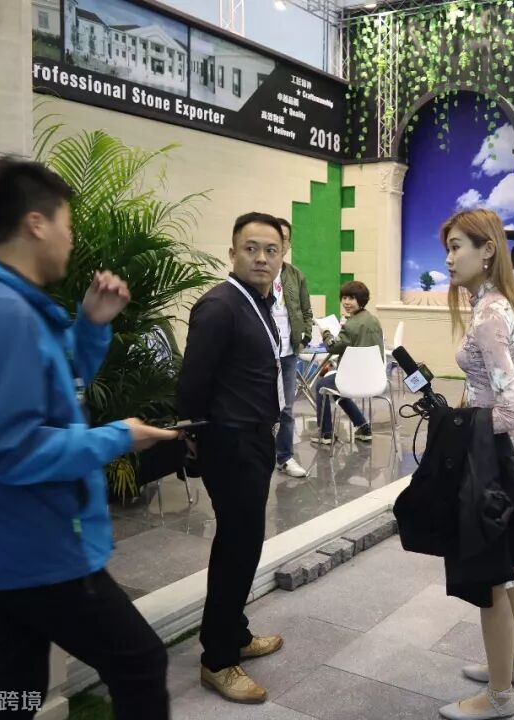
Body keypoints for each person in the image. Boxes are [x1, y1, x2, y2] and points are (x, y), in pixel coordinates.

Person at [0, 157, 178, 719]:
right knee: (140, 663)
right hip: (36, 545)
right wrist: (117, 437)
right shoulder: (0, 313)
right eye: (66, 225)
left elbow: (58, 389)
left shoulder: (6, 304)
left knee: (12, 691)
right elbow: (11, 448)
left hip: (13, 545)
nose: (71, 240)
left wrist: (92, 325)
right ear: (36, 224)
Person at [177, 212, 287, 703]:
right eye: (251, 248)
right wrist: (198, 440)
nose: (261, 258)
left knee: (244, 544)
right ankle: (218, 660)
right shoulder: (220, 306)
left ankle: (235, 632)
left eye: (271, 250)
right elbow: (192, 383)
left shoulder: (258, 302)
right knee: (236, 547)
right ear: (233, 253)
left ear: (282, 256)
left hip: (255, 439)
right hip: (231, 442)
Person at [439, 209, 514, 720]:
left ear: (487, 250)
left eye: (457, 246)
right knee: (508, 571)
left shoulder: (487, 316)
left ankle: (499, 698)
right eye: (447, 247)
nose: (449, 258)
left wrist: (461, 424)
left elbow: (512, 408)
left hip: (502, 455)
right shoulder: (505, 302)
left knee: (490, 576)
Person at [311, 280, 385, 445]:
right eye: (344, 298)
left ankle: (325, 433)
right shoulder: (373, 320)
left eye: (351, 298)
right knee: (336, 386)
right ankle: (363, 427)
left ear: (361, 299)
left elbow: (332, 347)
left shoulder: (350, 325)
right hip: (375, 378)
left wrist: (326, 333)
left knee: (322, 385)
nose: (346, 302)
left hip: (355, 379)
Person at [272, 217, 313, 478]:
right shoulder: (258, 274)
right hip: (260, 354)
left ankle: (285, 457)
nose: (280, 243)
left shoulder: (296, 275)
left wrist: (304, 336)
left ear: (288, 244)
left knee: (286, 409)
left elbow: (307, 311)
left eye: (284, 238)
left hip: (288, 354)